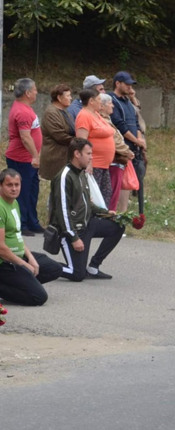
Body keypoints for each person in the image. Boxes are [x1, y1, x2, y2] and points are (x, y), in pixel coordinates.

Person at [50, 138, 125, 282]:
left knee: (118, 226)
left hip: (86, 225)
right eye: (88, 153)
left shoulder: (81, 174)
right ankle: (42, 264)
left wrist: (106, 212)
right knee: (77, 274)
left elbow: (87, 204)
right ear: (77, 154)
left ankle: (94, 267)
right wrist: (74, 238)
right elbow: (62, 211)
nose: (91, 157)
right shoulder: (65, 176)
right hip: (70, 231)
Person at [0, 169, 62, 306]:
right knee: (39, 297)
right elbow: (1, 248)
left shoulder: (14, 203)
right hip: (5, 263)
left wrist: (31, 260)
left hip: (18, 256)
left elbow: (17, 236)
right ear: (1, 186)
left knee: (54, 268)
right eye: (9, 185)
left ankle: (23, 284)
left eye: (17, 185)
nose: (14, 188)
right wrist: (24, 265)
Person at [5, 78, 44, 236]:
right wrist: (35, 156)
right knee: (22, 191)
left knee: (32, 191)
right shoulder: (22, 111)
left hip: (28, 159)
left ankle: (33, 221)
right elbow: (25, 137)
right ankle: (22, 224)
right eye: (34, 89)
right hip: (21, 158)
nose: (36, 92)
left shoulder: (25, 108)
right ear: (27, 93)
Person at [109, 71, 147, 214]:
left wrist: (139, 141)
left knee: (127, 184)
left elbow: (136, 122)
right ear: (117, 83)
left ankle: (123, 214)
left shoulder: (128, 101)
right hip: (120, 149)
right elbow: (120, 125)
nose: (129, 87)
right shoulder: (112, 100)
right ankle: (113, 213)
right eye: (126, 84)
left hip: (133, 148)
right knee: (117, 182)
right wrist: (137, 140)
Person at [76, 89, 116, 205]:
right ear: (91, 101)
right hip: (95, 164)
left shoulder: (96, 114)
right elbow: (82, 141)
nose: (101, 102)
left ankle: (102, 220)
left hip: (103, 165)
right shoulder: (84, 116)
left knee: (105, 194)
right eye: (98, 100)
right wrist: (88, 162)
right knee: (95, 196)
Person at [99, 94, 135, 211]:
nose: (113, 105)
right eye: (110, 103)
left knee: (113, 192)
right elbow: (114, 140)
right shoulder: (102, 120)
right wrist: (127, 151)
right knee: (112, 193)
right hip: (114, 161)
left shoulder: (107, 119)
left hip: (116, 160)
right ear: (102, 106)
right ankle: (109, 219)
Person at [40, 84, 76, 181]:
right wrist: (79, 142)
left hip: (65, 156)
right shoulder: (51, 113)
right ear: (59, 98)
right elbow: (59, 135)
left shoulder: (65, 112)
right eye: (68, 96)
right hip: (55, 157)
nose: (71, 98)